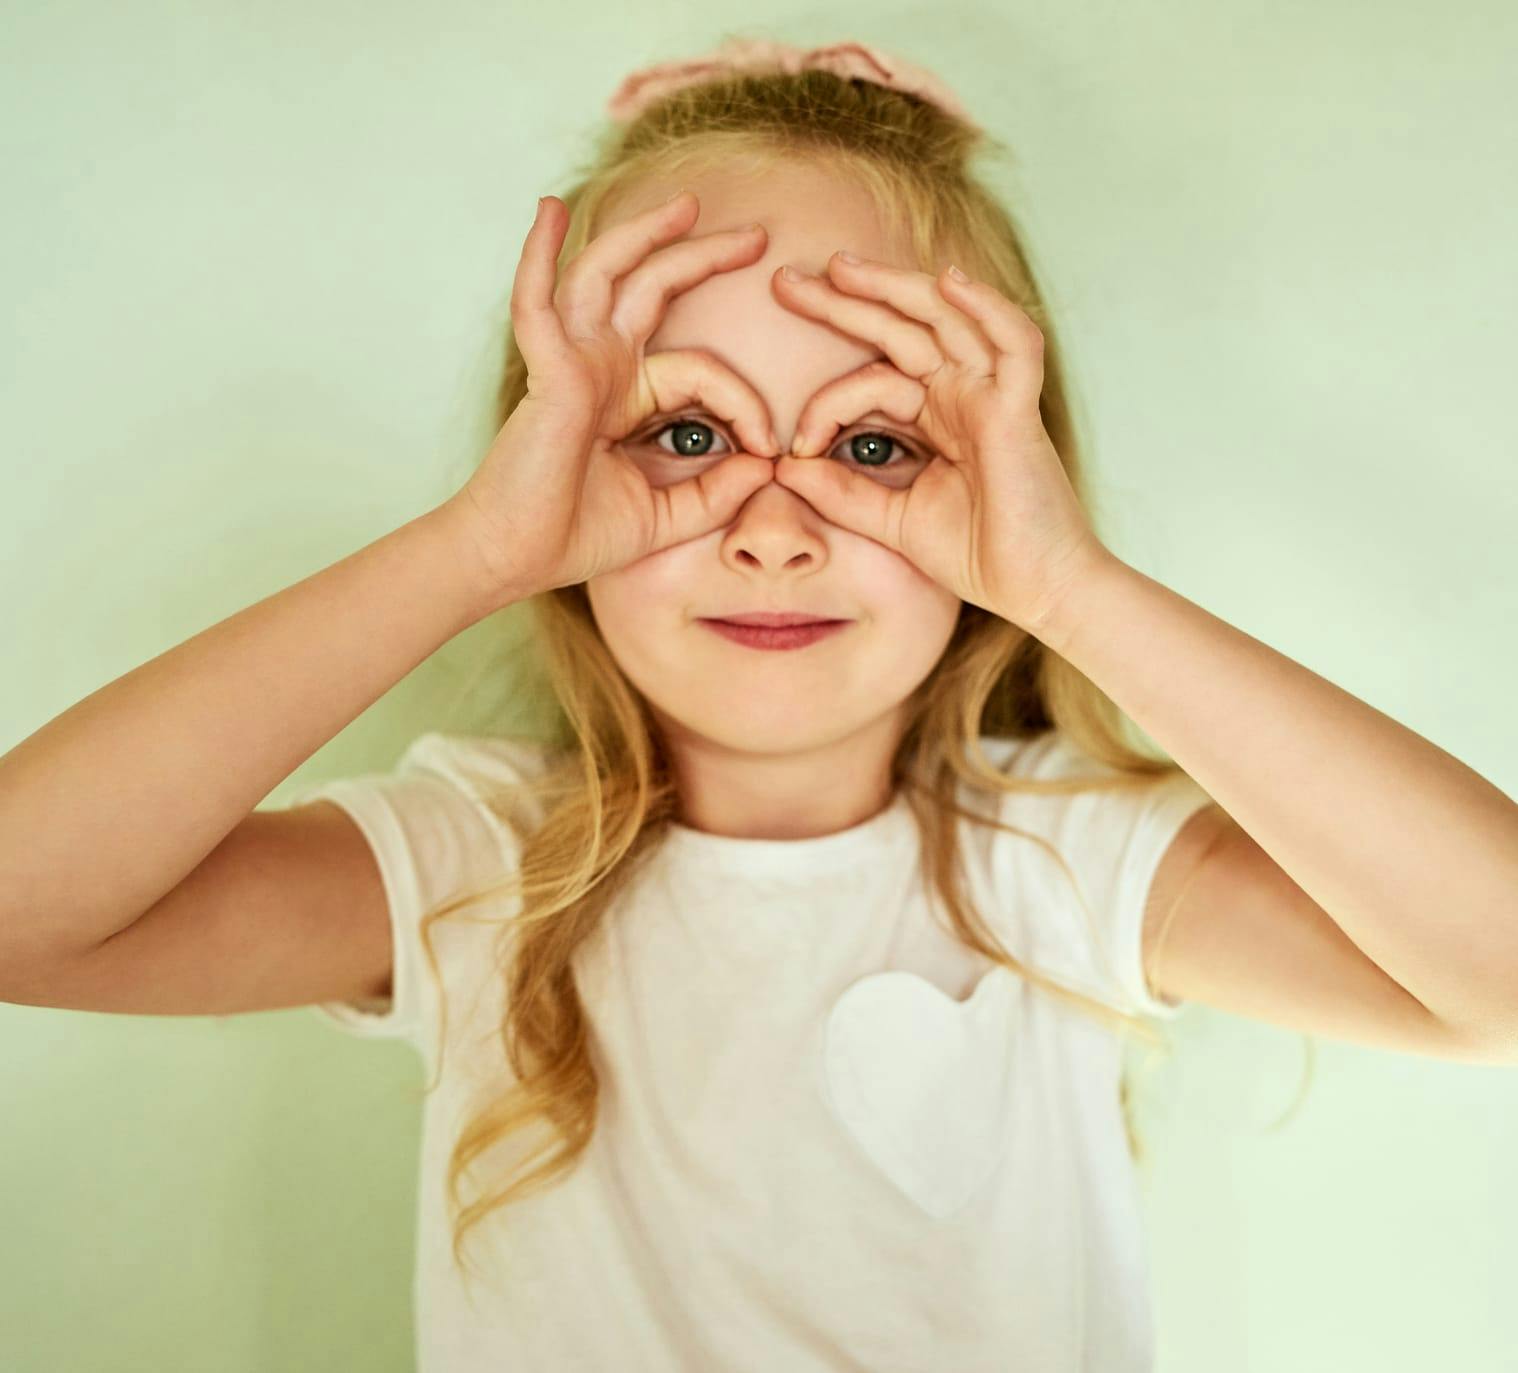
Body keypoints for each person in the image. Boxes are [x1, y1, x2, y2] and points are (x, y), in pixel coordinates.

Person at [5, 32, 1516, 1373]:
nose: (775, 528)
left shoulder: (1064, 868)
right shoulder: (483, 867)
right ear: (553, 466)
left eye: (874, 445)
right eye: (684, 430)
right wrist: (469, 553)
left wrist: (1068, 588)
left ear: (1011, 478)